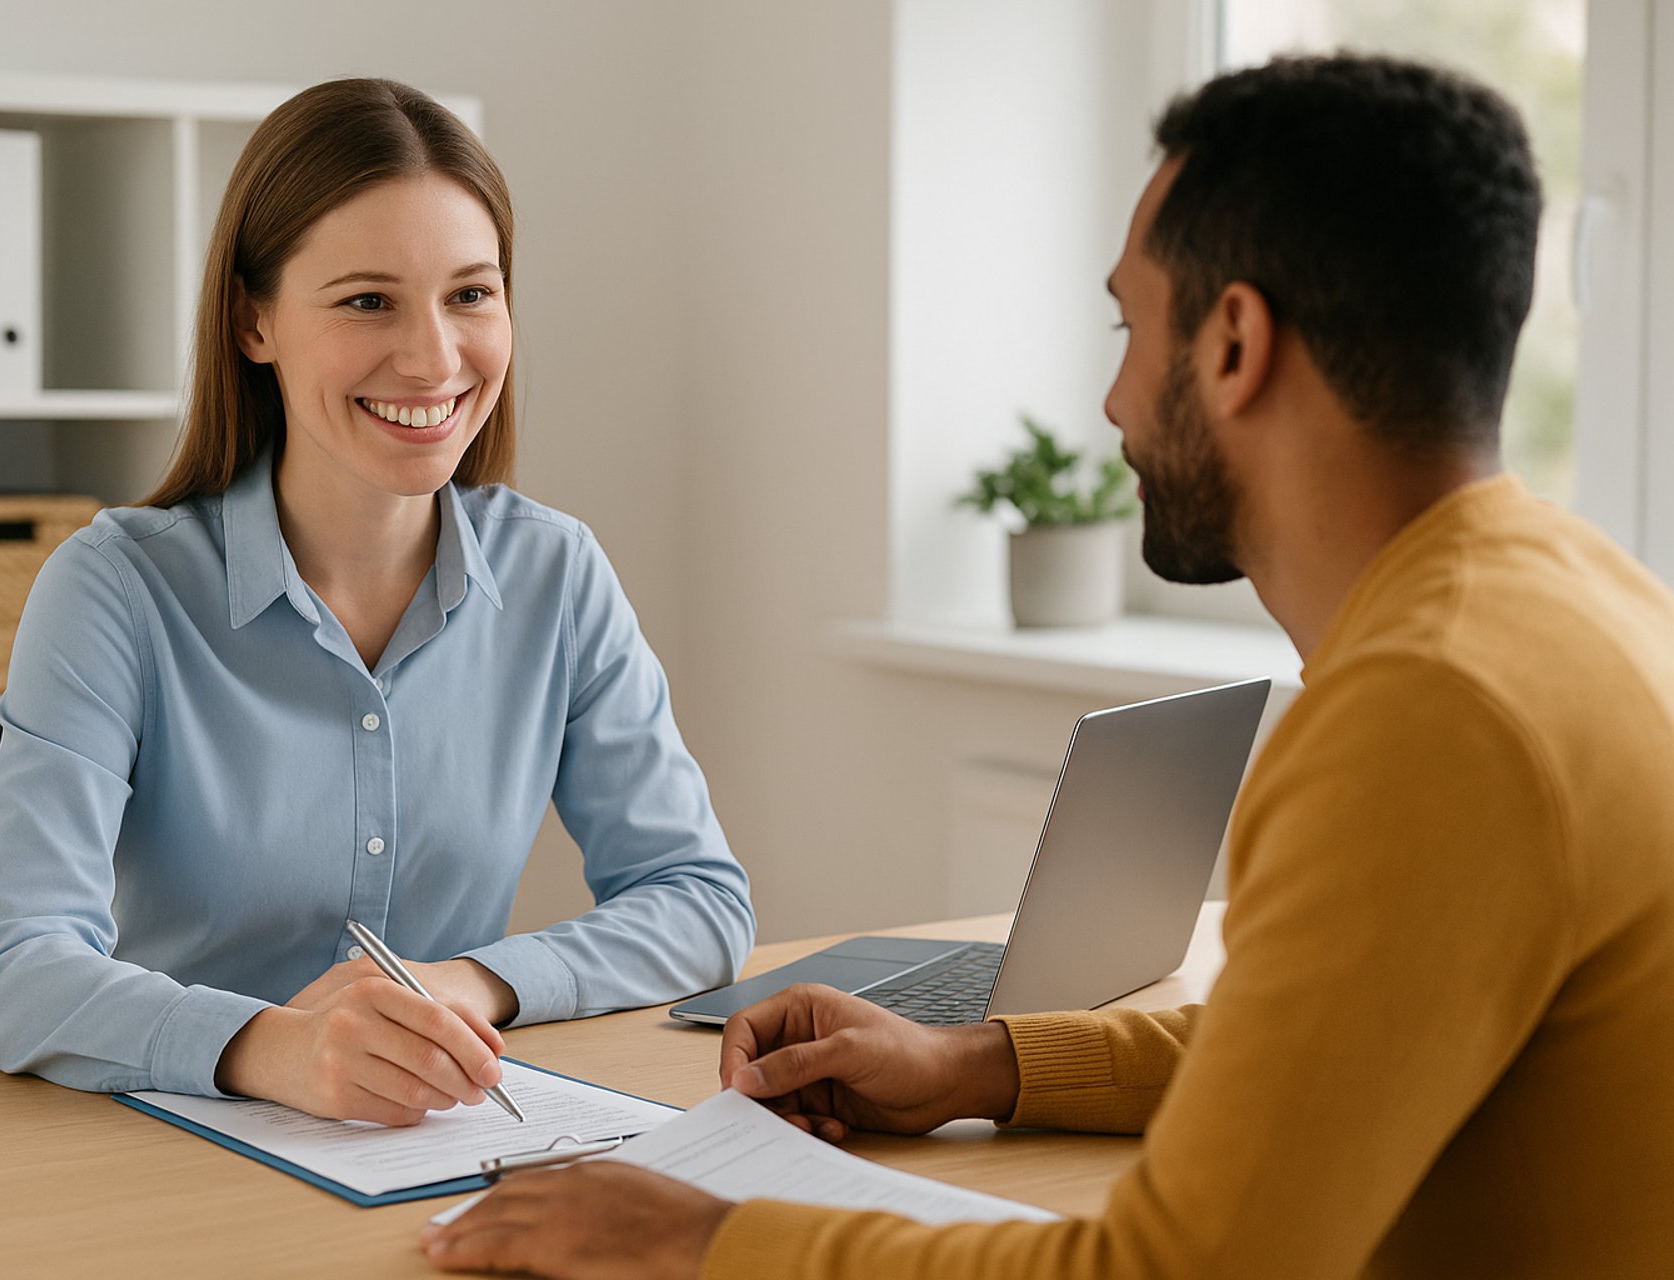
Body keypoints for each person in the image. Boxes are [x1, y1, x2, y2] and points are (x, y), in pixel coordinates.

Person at [420, 53, 1674, 1279]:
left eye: (1133, 326)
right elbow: (1324, 1049)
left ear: (1236, 343)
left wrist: (700, 1238)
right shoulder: (1571, 601)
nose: (1117, 399)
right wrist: (980, 1062)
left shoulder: (1425, 714)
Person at [0, 78, 754, 1125]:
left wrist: (466, 983)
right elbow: (9, 969)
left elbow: (698, 899)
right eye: (368, 299)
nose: (433, 357)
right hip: (166, 1151)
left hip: (436, 1146)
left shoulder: (557, 574)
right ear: (254, 321)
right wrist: (269, 1046)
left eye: (471, 293)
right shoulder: (118, 589)